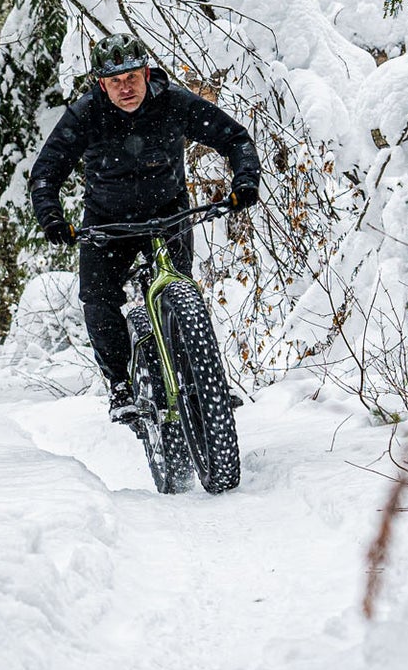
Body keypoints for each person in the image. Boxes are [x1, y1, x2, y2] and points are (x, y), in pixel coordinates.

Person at [29, 34, 260, 425]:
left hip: (166, 215)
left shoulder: (173, 102)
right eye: (115, 81)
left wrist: (245, 182)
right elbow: (46, 174)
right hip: (107, 224)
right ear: (101, 83)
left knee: (181, 292)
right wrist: (52, 217)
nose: (126, 88)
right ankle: (120, 385)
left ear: (146, 72)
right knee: (98, 298)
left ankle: (207, 382)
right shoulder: (86, 114)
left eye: (132, 77)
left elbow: (234, 137)